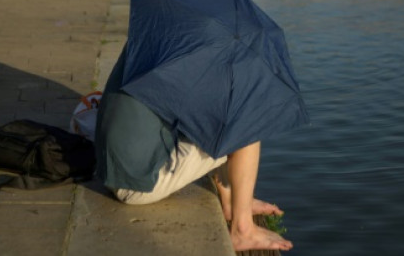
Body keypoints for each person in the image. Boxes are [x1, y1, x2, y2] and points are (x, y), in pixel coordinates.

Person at [95, 50, 293, 252]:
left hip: (112, 168)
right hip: (136, 184)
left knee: (223, 115)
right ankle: (242, 230)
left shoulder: (155, 42)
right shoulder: (182, 56)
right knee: (246, 124)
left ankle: (233, 201)